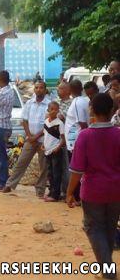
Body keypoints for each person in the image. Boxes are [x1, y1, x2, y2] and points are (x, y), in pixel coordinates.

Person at [67, 93, 120, 279]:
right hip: (116, 190)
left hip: (93, 191)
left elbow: (77, 170)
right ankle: (106, 266)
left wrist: (69, 193)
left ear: (91, 110)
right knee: (110, 227)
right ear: (112, 110)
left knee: (94, 228)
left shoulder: (85, 136)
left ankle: (107, 269)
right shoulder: (118, 134)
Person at [3, 81, 50, 197]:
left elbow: (48, 124)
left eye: (41, 88)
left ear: (45, 90)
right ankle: (10, 184)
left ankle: (40, 190)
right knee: (21, 162)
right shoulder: (29, 103)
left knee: (44, 166)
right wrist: (29, 136)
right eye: (36, 88)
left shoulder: (49, 104)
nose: (38, 90)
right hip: (30, 139)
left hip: (43, 140)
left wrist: (36, 136)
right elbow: (24, 120)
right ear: (34, 90)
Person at [66, 81, 100, 202]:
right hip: (78, 139)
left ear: (70, 90)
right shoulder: (85, 101)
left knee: (76, 168)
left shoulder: (78, 102)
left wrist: (86, 138)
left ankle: (76, 196)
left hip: (76, 140)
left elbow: (82, 122)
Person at [38, 102, 66, 202]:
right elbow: (46, 135)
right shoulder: (46, 122)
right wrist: (43, 144)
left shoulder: (59, 123)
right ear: (48, 110)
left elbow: (63, 139)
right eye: (52, 109)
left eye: (56, 109)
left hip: (55, 151)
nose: (54, 111)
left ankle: (55, 195)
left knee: (56, 173)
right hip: (47, 151)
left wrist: (58, 147)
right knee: (50, 173)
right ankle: (51, 191)